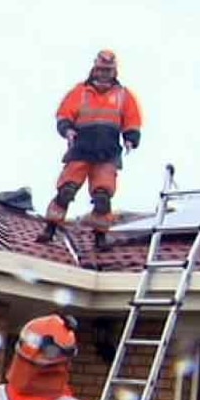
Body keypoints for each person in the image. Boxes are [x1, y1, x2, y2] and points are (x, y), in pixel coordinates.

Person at [37, 49, 143, 252]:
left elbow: (132, 120)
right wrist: (67, 130)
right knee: (66, 191)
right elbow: (64, 113)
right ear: (95, 69)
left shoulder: (123, 95)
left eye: (108, 70)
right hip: (81, 149)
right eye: (101, 69)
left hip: (107, 152)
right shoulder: (80, 91)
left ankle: (100, 237)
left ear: (114, 72)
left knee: (103, 196)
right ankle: (50, 228)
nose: (104, 74)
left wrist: (131, 139)